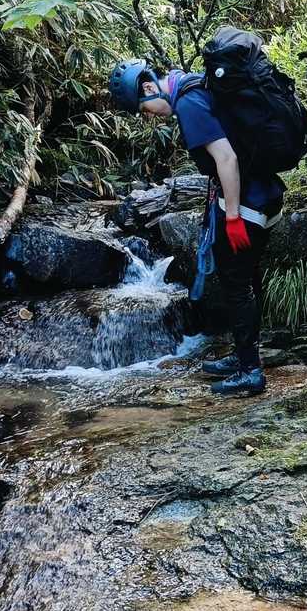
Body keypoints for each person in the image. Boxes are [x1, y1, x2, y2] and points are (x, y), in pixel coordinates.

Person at [109, 59, 283, 397]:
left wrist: (232, 216)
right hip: (263, 192)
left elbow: (227, 159)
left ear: (149, 88)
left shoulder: (188, 103)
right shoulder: (193, 85)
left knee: (236, 283)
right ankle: (245, 356)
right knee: (245, 279)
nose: (149, 117)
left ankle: (250, 371)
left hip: (247, 203)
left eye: (144, 110)